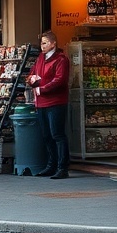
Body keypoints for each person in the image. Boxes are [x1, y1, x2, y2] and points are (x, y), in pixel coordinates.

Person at [27, 30, 70, 180]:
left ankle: (62, 167)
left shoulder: (61, 60)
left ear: (53, 43)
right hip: (41, 103)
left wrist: (41, 88)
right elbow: (32, 74)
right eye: (41, 43)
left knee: (57, 134)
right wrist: (33, 80)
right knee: (46, 135)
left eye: (45, 43)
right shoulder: (40, 58)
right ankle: (51, 165)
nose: (42, 46)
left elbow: (59, 80)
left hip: (56, 102)